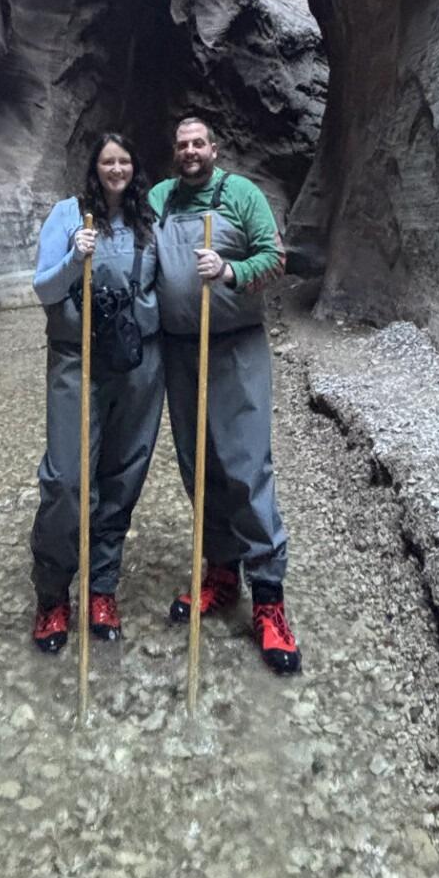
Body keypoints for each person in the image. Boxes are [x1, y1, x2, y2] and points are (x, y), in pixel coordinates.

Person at [150, 116, 301, 674]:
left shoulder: (241, 194)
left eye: (199, 143)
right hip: (181, 353)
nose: (190, 151)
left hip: (235, 350)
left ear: (214, 149)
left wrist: (232, 270)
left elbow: (276, 257)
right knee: (200, 466)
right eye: (182, 144)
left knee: (246, 467)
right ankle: (220, 572)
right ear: (176, 151)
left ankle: (269, 600)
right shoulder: (161, 197)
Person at [29, 132, 163, 652]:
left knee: (123, 475)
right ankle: (53, 593)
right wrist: (71, 260)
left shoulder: (148, 220)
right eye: (108, 160)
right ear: (94, 166)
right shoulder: (67, 215)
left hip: (136, 363)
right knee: (68, 481)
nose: (116, 168)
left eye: (124, 160)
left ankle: (102, 586)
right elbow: (42, 289)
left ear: (134, 167)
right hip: (78, 360)